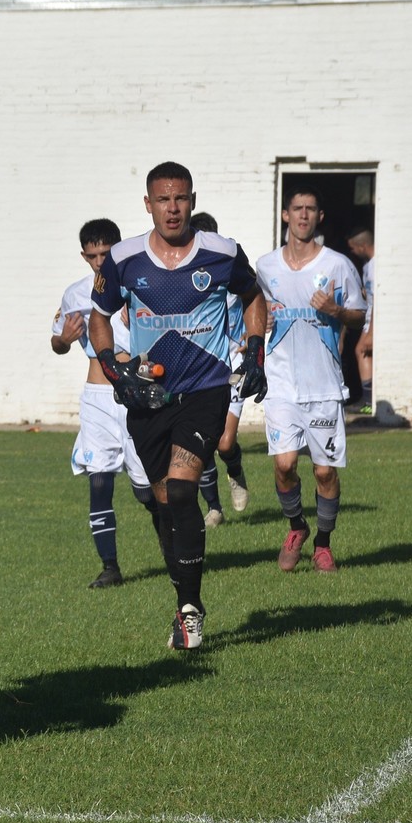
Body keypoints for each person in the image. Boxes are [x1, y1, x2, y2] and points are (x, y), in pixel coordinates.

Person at [87, 161, 268, 650]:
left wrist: (254, 349)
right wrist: (110, 362)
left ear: (192, 200)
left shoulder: (222, 253)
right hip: (148, 397)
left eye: (181, 198)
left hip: (205, 392)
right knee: (165, 505)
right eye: (163, 200)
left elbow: (254, 297)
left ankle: (190, 613)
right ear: (148, 204)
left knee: (185, 493)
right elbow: (98, 318)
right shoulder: (123, 260)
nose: (173, 208)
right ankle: (186, 598)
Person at [257, 191, 367, 572]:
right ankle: (296, 528)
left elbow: (358, 315)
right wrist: (262, 321)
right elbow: (252, 312)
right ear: (285, 215)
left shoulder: (337, 265)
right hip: (281, 382)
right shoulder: (265, 266)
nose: (303, 216)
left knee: (324, 470)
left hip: (323, 385)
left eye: (310, 210)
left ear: (319, 216)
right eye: (296, 209)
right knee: (285, 464)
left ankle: (323, 543)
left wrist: (336, 310)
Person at [51, 218, 158, 589]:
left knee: (145, 490)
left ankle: (173, 542)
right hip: (97, 396)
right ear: (84, 255)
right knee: (99, 482)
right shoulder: (75, 294)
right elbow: (57, 342)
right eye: (92, 255)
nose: (99, 262)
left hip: (135, 394)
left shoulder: (139, 285)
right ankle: (109, 566)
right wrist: (64, 339)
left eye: (105, 254)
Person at [189, 212, 252, 521]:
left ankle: (235, 468)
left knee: (225, 443)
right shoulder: (184, 275)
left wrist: (254, 338)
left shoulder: (229, 266)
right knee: (203, 439)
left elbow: (260, 298)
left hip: (235, 363)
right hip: (203, 364)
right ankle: (214, 508)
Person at [345, 225, 376, 413]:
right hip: (369, 316)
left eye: (353, 248)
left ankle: (368, 401)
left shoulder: (376, 266)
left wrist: (371, 332)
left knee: (361, 350)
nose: (352, 252)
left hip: (374, 318)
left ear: (362, 246)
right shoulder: (367, 266)